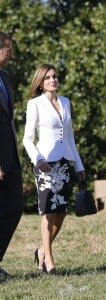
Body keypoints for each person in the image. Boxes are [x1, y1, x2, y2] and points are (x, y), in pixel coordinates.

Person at [23, 64, 85, 274]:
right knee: (48, 212)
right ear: (40, 82)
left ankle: (41, 250)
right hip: (45, 164)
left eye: (54, 76)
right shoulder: (35, 104)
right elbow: (27, 139)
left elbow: (69, 137)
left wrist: (79, 165)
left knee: (61, 212)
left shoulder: (66, 102)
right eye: (48, 77)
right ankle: (48, 259)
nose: (52, 80)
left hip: (65, 162)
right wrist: (37, 159)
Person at [0, 31, 24, 283]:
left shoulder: (5, 77)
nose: (12, 54)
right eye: (8, 49)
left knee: (15, 206)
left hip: (10, 156)